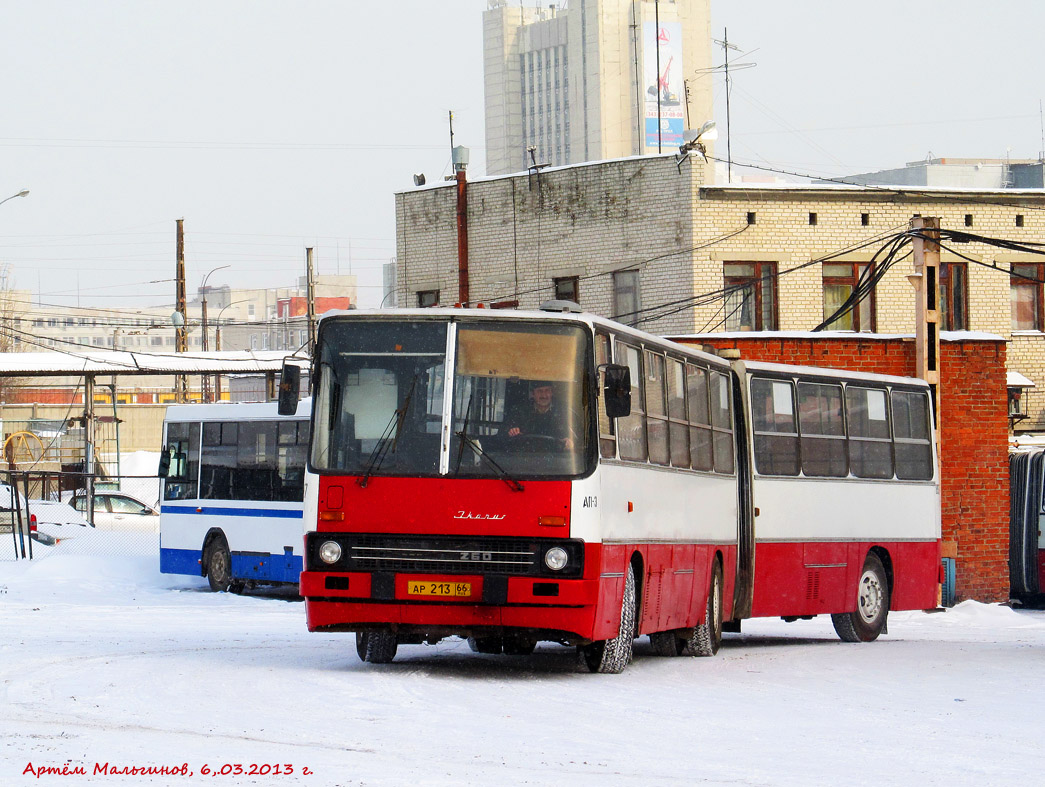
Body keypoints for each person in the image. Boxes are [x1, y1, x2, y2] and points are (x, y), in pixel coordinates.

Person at [505, 382, 575, 450]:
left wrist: (569, 441)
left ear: (552, 392)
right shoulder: (520, 410)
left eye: (547, 390)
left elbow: (577, 436)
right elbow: (504, 432)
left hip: (556, 457)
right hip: (525, 456)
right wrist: (512, 431)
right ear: (533, 394)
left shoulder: (564, 411)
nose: (544, 395)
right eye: (539, 391)